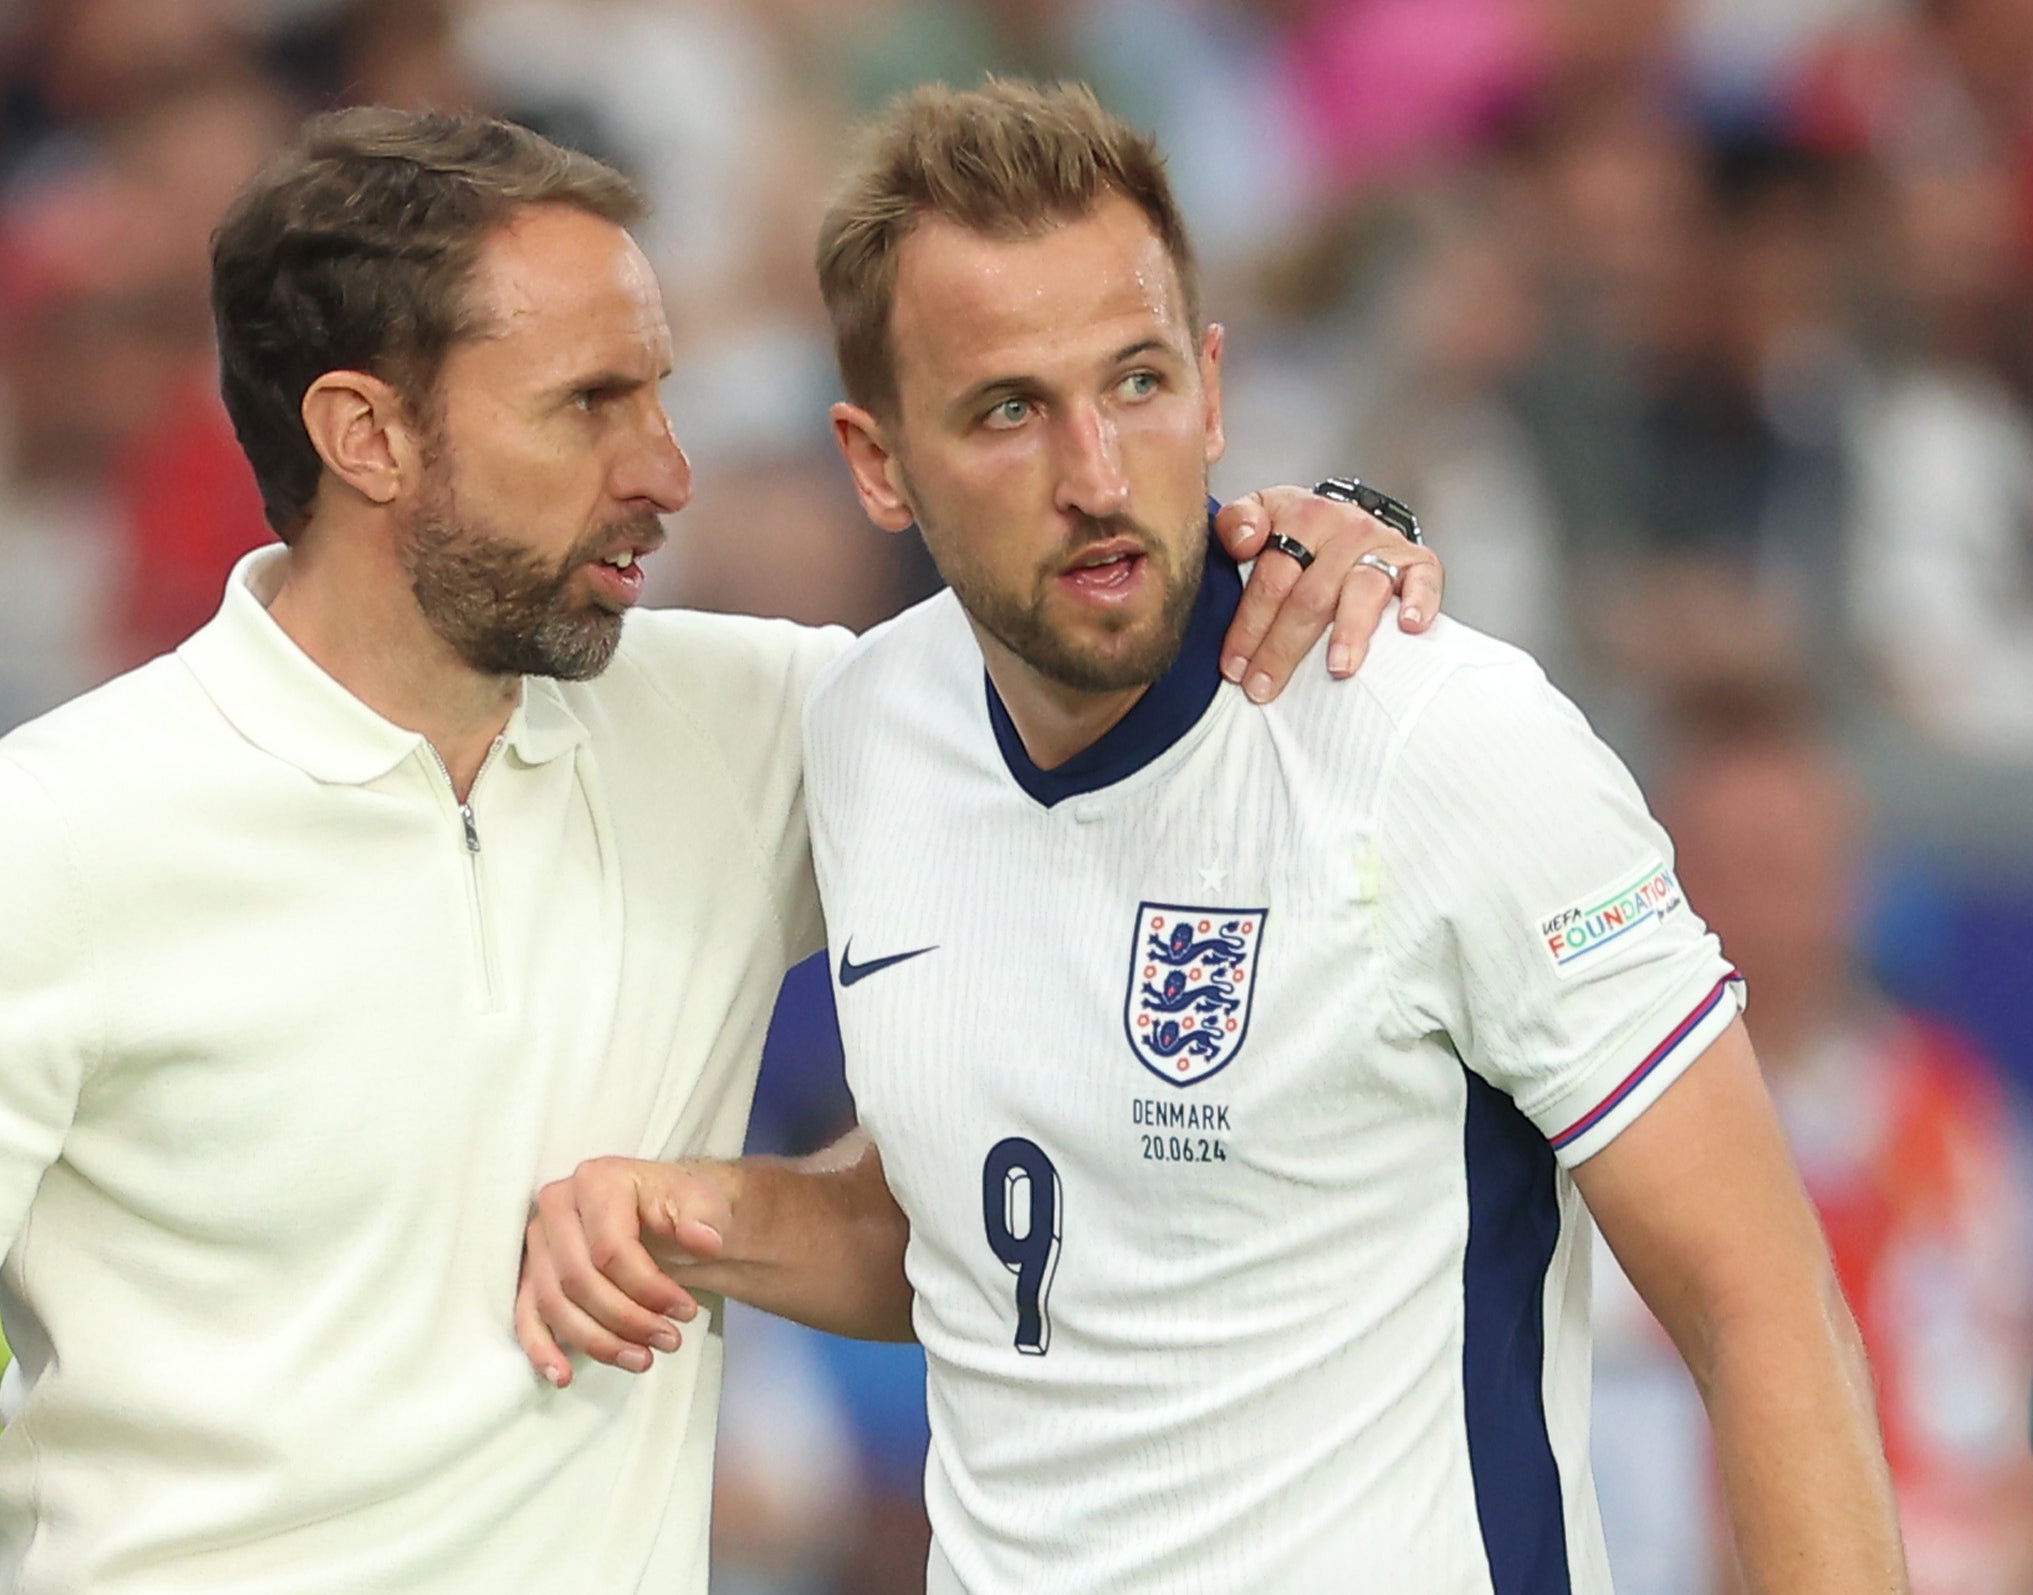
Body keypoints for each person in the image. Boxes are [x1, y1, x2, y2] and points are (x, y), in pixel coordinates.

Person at [0, 107, 1436, 1595]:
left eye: (660, 394)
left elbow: (1123, 686)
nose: (665, 469)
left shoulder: (767, 720)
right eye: (588, 405)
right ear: (366, 437)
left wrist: (1322, 537)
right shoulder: (55, 833)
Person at [515, 81, 1909, 1594]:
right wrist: (707, 1212)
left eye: (1135, 383)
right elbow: (1011, 1224)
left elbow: (1761, 1302)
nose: (1096, 475)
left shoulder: (1439, 739)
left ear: (1215, 386)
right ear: (875, 460)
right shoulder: (860, 729)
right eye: (1006, 410)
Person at [1592, 677, 2033, 1595]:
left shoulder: (1950, 1117)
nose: (1770, 904)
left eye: (1795, 863)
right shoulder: (1600, 1133)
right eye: (1734, 864)